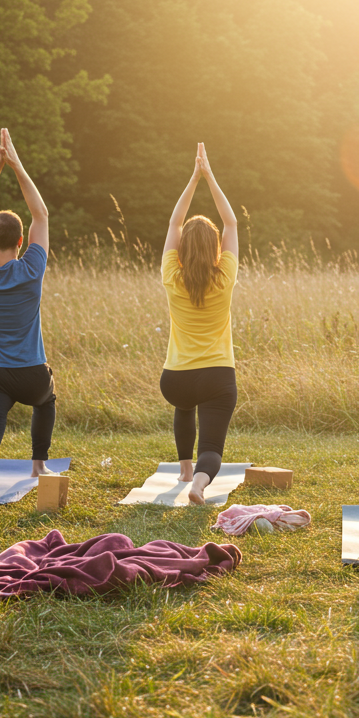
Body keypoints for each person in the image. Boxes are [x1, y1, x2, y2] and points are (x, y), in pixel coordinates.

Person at [0, 129, 55, 503]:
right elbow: (41, 213)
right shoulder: (31, 267)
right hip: (31, 372)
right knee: (47, 399)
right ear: (22, 242)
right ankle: (38, 465)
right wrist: (15, 164)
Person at [159, 143, 240, 506]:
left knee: (184, 407)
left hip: (175, 379)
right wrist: (209, 176)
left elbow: (176, 222)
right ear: (215, 250)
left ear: (182, 249)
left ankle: (185, 469)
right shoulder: (224, 277)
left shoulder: (171, 276)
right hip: (217, 376)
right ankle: (199, 483)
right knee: (213, 443)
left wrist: (193, 179)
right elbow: (232, 222)